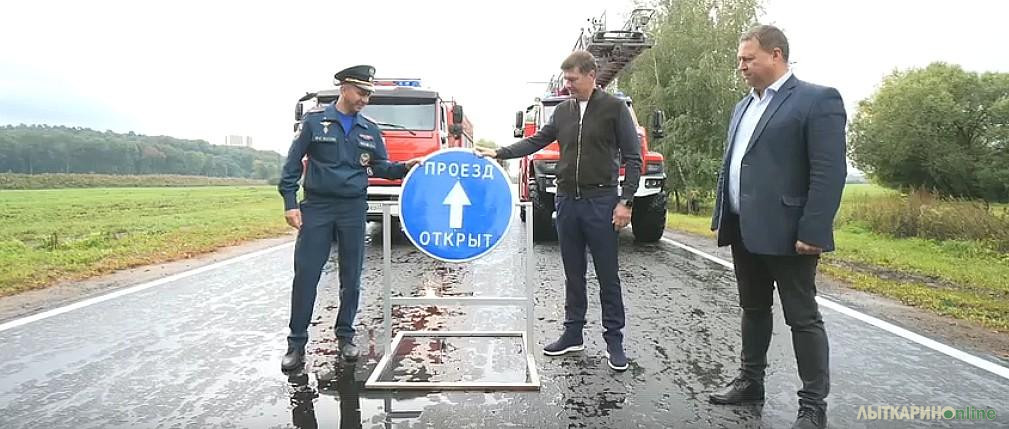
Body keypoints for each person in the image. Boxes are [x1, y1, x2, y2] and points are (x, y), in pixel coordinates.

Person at [707, 25, 846, 429]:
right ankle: (751, 382)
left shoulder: (817, 100)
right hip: (743, 228)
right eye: (739, 60)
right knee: (753, 310)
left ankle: (813, 405)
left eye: (748, 59)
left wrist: (814, 230)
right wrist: (722, 214)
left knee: (802, 318)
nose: (741, 66)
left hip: (790, 233)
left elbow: (829, 172)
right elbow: (735, 163)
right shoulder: (742, 106)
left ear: (776, 55)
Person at [477, 50, 642, 372]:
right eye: (566, 79)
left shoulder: (614, 108)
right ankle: (573, 334)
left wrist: (626, 201)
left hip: (601, 201)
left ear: (591, 75)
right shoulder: (564, 111)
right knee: (573, 273)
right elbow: (536, 141)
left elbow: (633, 158)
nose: (567, 85)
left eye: (572, 79)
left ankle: (614, 340)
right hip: (566, 201)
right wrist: (499, 152)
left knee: (607, 275)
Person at [278, 65, 419, 372]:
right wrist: (290, 203)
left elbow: (381, 167)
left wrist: (406, 166)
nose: (365, 100)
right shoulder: (315, 121)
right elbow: (292, 165)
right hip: (317, 207)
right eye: (361, 93)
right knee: (306, 276)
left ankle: (345, 336)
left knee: (351, 278)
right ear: (344, 88)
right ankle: (296, 343)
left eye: (368, 94)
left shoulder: (369, 129)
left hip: (353, 208)